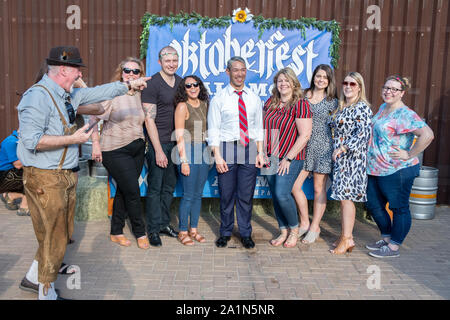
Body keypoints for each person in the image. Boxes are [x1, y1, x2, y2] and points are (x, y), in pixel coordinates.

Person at [16, 46, 149, 300]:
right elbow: (32, 141)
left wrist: (130, 85)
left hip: (63, 174)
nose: (79, 73)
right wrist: (72, 139)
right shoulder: (37, 96)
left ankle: (34, 277)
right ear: (63, 69)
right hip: (45, 176)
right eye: (77, 69)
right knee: (53, 236)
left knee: (61, 233)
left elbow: (99, 92)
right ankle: (47, 294)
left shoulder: (68, 95)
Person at [365, 75, 434, 258]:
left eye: (394, 89)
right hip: (375, 168)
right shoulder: (383, 108)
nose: (389, 92)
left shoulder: (405, 115)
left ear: (402, 93)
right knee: (374, 205)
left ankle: (394, 246)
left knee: (399, 207)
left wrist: (409, 154)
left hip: (397, 169)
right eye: (386, 88)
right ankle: (387, 239)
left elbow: (427, 135)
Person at [89, 57, 149, 249]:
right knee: (133, 190)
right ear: (121, 72)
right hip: (114, 150)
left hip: (137, 148)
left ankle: (116, 231)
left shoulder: (141, 94)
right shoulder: (113, 92)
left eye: (135, 71)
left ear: (140, 74)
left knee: (124, 190)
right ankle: (140, 232)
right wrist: (95, 145)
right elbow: (93, 117)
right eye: (127, 70)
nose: (131, 74)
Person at [207, 56, 265, 249]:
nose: (239, 73)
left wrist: (260, 152)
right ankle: (225, 232)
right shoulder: (219, 99)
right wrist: (217, 156)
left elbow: (258, 127)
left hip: (249, 148)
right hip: (226, 147)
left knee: (245, 195)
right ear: (228, 72)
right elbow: (213, 129)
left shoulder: (254, 98)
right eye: (235, 70)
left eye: (243, 70)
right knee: (226, 194)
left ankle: (246, 233)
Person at [263, 67, 312, 248]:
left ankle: (294, 229)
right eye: (280, 81)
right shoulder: (271, 102)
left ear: (293, 83)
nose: (283, 84)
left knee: (282, 193)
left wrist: (288, 158)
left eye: (286, 80)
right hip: (270, 156)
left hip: (291, 157)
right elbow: (264, 128)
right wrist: (262, 152)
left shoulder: (300, 103)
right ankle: (283, 230)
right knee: (275, 196)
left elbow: (305, 135)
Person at [292, 64, 338, 244]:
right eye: (318, 76)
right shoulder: (302, 96)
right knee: (295, 186)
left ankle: (315, 226)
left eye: (325, 78)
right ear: (314, 77)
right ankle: (304, 221)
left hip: (323, 147)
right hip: (303, 145)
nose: (321, 80)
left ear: (329, 81)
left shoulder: (333, 101)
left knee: (319, 188)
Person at [328, 72, 372, 255]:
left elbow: (363, 134)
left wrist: (343, 148)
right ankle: (346, 236)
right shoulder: (342, 106)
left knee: (347, 200)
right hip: (340, 160)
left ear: (359, 87)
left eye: (352, 84)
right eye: (345, 83)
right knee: (342, 199)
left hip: (353, 160)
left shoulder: (362, 108)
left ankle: (347, 238)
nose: (347, 86)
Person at [141, 45, 182, 247]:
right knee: (155, 188)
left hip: (176, 144)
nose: (171, 64)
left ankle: (165, 224)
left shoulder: (182, 83)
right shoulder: (153, 84)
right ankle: (153, 229)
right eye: (167, 61)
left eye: (174, 60)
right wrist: (157, 150)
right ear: (160, 62)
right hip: (159, 143)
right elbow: (149, 120)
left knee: (169, 188)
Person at [174, 75, 211, 245]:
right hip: (187, 150)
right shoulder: (182, 106)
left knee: (198, 194)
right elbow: (179, 136)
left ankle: (193, 229)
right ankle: (182, 231)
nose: (193, 88)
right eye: (188, 86)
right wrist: (184, 161)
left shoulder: (204, 104)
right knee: (188, 195)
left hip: (203, 150)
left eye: (195, 84)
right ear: (184, 89)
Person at [0, 129, 29, 216]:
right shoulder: (11, 142)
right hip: (3, 176)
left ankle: (10, 196)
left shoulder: (18, 141)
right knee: (33, 177)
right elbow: (18, 164)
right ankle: (24, 207)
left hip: (9, 173)